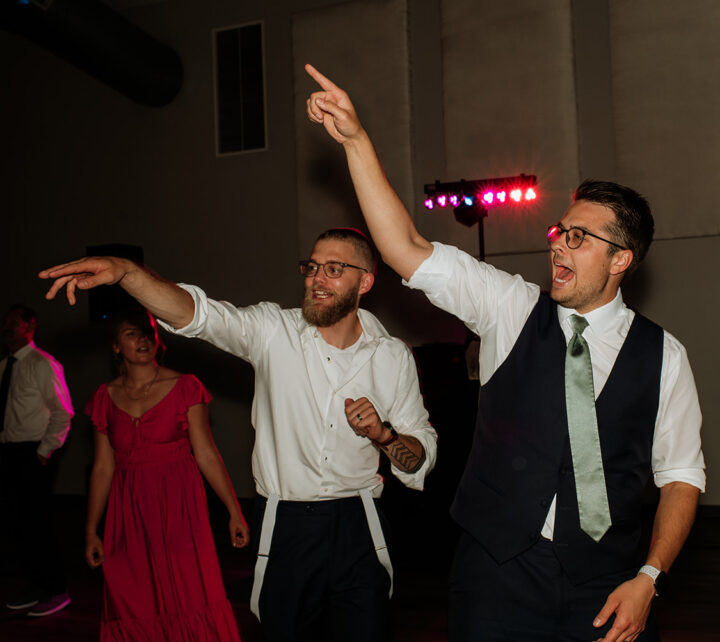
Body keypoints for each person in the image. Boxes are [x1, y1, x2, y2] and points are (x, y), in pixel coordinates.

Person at [303, 64, 705, 642]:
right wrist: (356, 143)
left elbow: (682, 477)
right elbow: (404, 246)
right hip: (496, 573)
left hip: (608, 582)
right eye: (558, 231)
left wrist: (649, 576)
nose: (558, 246)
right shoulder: (510, 307)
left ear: (621, 260)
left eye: (578, 237)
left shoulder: (665, 355)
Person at [39, 226, 437, 641]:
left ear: (365, 281)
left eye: (333, 269)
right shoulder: (273, 331)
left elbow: (421, 450)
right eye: (312, 267)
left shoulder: (392, 356)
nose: (316, 279)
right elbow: (196, 314)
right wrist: (127, 274)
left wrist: (383, 435)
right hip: (286, 524)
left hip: (359, 524)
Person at [84, 306, 248, 640]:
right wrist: (90, 530)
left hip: (178, 505)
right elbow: (103, 468)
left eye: (147, 333)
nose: (142, 340)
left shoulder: (185, 386)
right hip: (128, 512)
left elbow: (206, 453)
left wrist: (234, 511)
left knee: (189, 590)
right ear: (116, 347)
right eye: (131, 334)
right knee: (132, 595)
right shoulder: (105, 397)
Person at [0, 304, 74, 618]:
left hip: (32, 452)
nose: (6, 329)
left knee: (39, 525)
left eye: (13, 324)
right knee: (19, 525)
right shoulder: (5, 365)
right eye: (5, 323)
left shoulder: (43, 364)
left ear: (30, 327)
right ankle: (37, 585)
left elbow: (63, 412)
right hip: (8, 451)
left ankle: (57, 590)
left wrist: (43, 452)